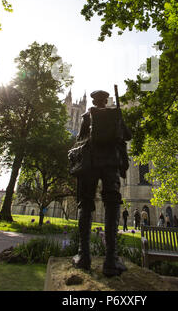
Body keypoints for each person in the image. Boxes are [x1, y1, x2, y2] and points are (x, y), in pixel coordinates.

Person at [72, 89, 132, 277]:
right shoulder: (115, 114)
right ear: (106, 101)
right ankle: (111, 260)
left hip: (90, 163)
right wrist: (119, 118)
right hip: (111, 163)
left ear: (93, 101)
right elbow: (128, 136)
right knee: (113, 204)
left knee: (86, 203)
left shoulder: (87, 115)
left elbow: (80, 139)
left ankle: (84, 256)